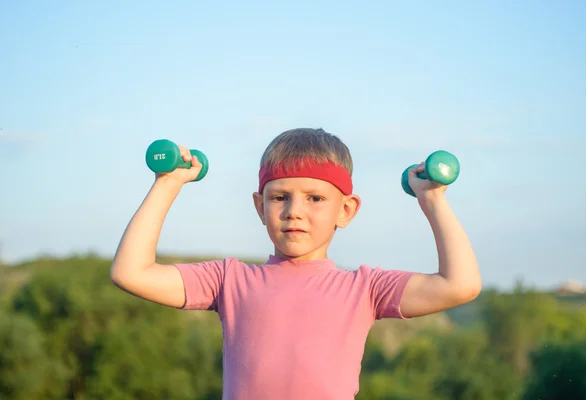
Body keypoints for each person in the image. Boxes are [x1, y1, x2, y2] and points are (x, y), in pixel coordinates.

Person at [110, 127, 481, 400]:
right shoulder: (228, 280)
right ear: (260, 207)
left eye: (315, 198)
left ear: (346, 210)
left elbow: (460, 285)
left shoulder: (365, 289)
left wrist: (433, 200)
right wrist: (167, 183)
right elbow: (131, 273)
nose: (294, 212)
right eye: (279, 198)